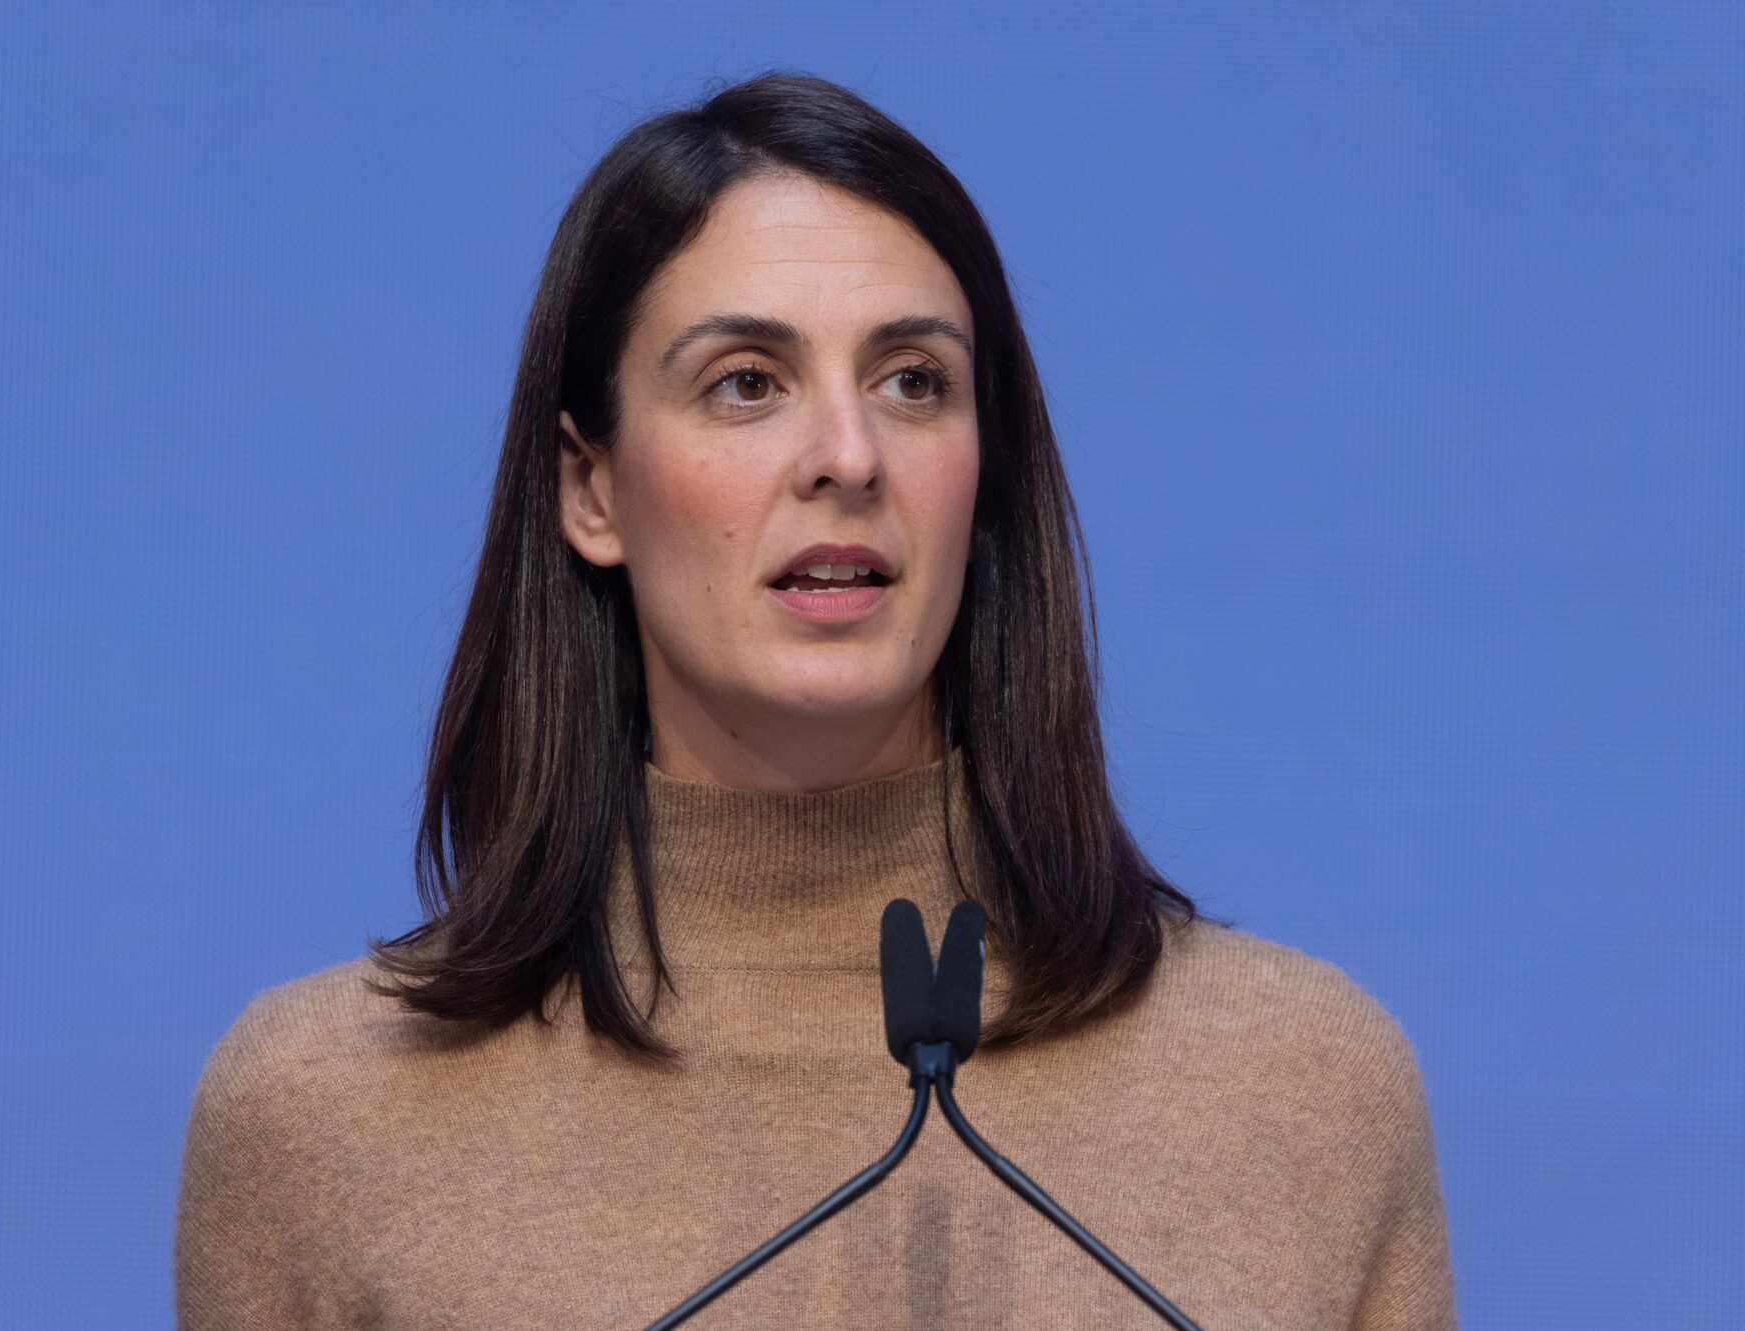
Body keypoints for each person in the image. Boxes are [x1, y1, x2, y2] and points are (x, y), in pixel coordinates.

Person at [174, 71, 1457, 1329]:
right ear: (592, 490)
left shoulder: (1306, 1088)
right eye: (747, 382)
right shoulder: (325, 1112)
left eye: (914, 381)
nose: (850, 455)